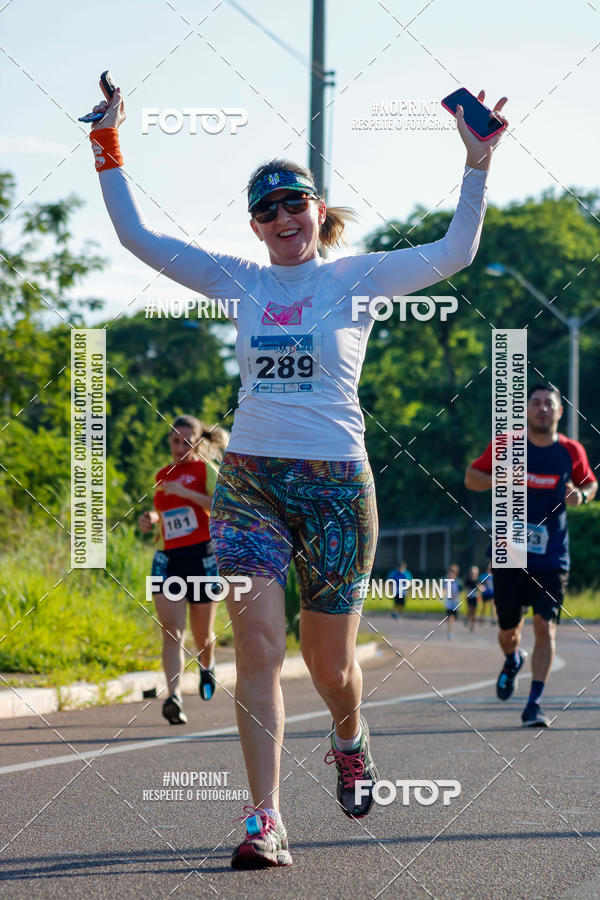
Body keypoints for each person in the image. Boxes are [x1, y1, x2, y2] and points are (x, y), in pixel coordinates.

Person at [88, 81, 507, 868]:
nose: (284, 218)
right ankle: (264, 819)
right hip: (249, 482)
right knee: (256, 645)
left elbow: (456, 252)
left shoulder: (358, 279)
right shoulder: (236, 281)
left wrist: (477, 165)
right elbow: (138, 238)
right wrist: (108, 145)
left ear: (319, 213)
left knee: (330, 667)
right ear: (255, 224)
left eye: (296, 204)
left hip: (338, 487)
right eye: (269, 209)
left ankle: (350, 735)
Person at [465, 383, 597, 727]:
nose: (542, 409)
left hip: (552, 556)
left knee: (545, 626)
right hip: (510, 553)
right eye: (536, 403)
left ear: (559, 411)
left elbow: (590, 484)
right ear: (526, 410)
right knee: (509, 630)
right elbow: (471, 478)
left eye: (548, 404)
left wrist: (580, 497)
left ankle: (534, 704)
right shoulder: (508, 444)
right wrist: (499, 478)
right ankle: (512, 659)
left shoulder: (570, 450)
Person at [138, 415, 227, 724]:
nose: (180, 446)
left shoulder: (206, 470)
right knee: (172, 631)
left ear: (198, 442)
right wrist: (152, 519)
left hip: (202, 557)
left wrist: (187, 492)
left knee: (202, 634)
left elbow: (220, 506)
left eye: (187, 441)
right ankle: (173, 696)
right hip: (168, 558)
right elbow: (166, 513)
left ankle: (207, 664)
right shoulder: (162, 474)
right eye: (176, 440)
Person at [444, 564, 461, 639]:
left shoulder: (458, 582)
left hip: (455, 604)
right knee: (450, 618)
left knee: (454, 618)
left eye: (453, 572)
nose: (451, 573)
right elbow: (444, 590)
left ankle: (450, 631)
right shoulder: (446, 581)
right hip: (449, 604)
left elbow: (460, 591)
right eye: (450, 571)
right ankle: (450, 632)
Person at [463, 564, 480, 632]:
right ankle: (466, 619)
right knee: (470, 610)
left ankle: (472, 626)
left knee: (474, 612)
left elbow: (479, 588)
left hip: (475, 597)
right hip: (470, 597)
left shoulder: (477, 580)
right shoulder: (468, 580)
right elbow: (466, 589)